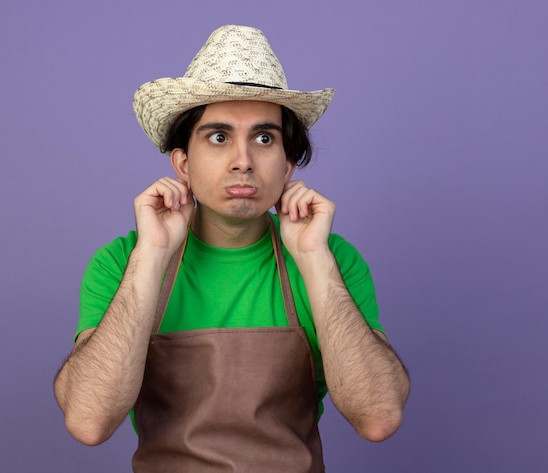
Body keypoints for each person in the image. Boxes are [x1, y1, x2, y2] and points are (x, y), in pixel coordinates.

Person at [54, 25, 410, 472]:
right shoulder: (122, 261)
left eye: (264, 138)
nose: (243, 160)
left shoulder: (332, 258)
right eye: (218, 137)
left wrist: (314, 259)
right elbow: (89, 421)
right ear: (183, 163)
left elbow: (378, 418)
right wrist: (151, 256)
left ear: (288, 164)